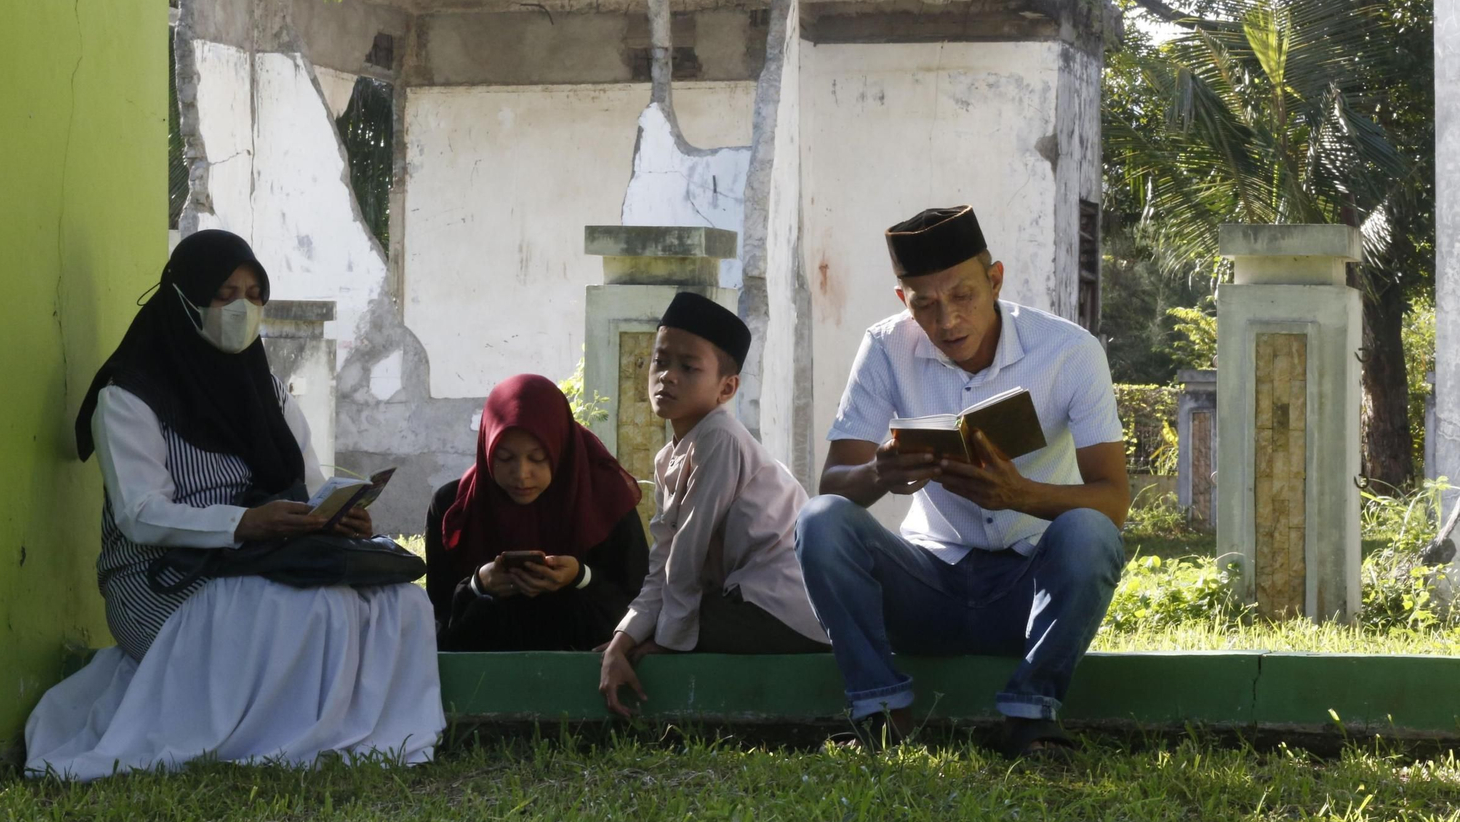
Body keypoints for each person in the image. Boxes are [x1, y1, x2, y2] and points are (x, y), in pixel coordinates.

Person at [23, 230, 444, 780]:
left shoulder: (263, 387)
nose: (241, 308)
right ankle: (287, 741)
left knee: (400, 605)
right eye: (224, 293)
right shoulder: (128, 396)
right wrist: (243, 523)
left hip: (267, 557)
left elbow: (309, 481)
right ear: (184, 296)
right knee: (313, 609)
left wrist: (334, 516)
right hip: (162, 578)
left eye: (253, 293)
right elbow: (139, 514)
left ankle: (366, 736)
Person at [794, 206, 1129, 756]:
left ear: (995, 280)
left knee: (1089, 532)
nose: (946, 320)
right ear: (904, 301)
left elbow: (1113, 503)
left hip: (1029, 592)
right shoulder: (885, 346)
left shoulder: (1069, 352)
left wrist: (1021, 495)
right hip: (928, 588)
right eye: (924, 303)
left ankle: (1030, 716)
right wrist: (881, 471)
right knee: (820, 520)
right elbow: (834, 483)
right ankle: (881, 712)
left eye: (963, 295)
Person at [599, 293, 829, 718]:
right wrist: (624, 638)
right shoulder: (670, 455)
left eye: (688, 367)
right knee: (621, 627)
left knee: (662, 631)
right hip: (742, 603)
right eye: (660, 361)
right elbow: (664, 559)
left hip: (785, 610)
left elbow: (685, 557)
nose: (666, 376)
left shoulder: (719, 438)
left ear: (727, 388)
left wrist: (662, 641)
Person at [424, 374, 648, 651]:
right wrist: (478, 585)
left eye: (538, 458)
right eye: (504, 458)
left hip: (588, 677)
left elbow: (639, 606)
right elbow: (437, 621)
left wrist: (580, 577)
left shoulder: (605, 502)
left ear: (561, 450)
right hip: (481, 680)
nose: (521, 474)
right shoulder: (454, 508)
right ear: (486, 448)